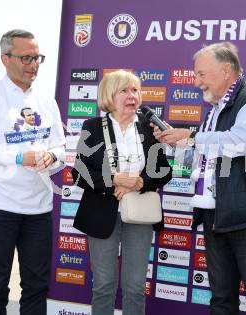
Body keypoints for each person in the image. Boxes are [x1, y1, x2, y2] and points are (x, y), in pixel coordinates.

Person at [153, 42, 246, 315]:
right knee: (221, 299)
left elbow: (241, 143)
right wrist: (177, 143)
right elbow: (205, 159)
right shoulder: (215, 110)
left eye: (201, 74)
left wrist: (192, 137)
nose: (196, 82)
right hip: (216, 214)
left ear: (227, 70)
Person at [0, 29, 66, 315]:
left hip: (38, 209)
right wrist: (17, 156)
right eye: (26, 58)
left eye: (38, 57)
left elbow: (60, 147)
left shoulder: (46, 99)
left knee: (37, 286)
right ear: (5, 59)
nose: (34, 64)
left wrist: (51, 157)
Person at [71, 70, 172, 315]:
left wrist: (139, 182)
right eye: (124, 91)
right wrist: (114, 181)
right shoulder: (92, 126)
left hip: (140, 214)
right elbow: (80, 172)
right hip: (101, 213)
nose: (131, 96)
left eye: (135, 90)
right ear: (109, 95)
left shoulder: (150, 129)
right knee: (104, 285)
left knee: (135, 286)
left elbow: (163, 171)